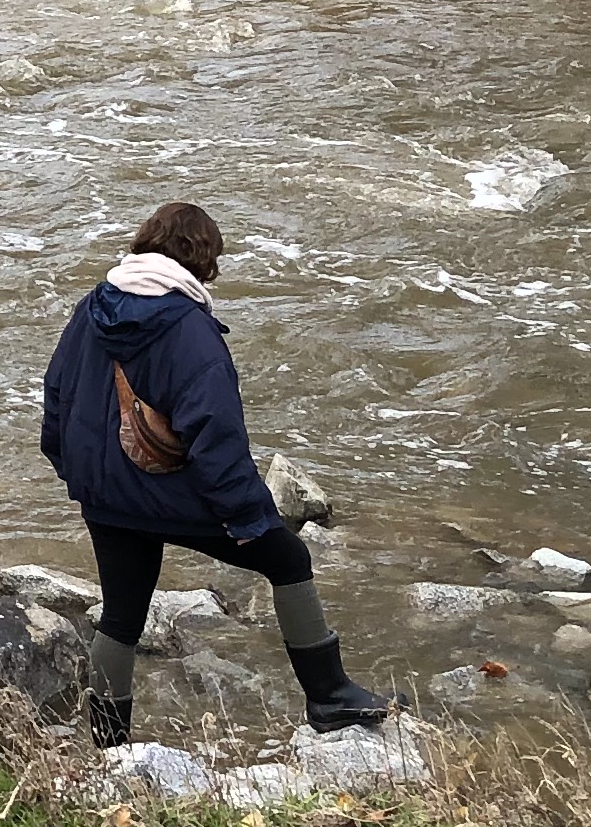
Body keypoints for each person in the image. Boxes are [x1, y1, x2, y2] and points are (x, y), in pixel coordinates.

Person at [40, 201, 388, 749]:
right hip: (166, 494)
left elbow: (56, 393)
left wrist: (74, 472)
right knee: (289, 559)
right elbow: (216, 438)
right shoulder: (189, 331)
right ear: (204, 260)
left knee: (123, 614)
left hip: (105, 495)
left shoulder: (92, 306)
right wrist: (249, 518)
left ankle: (109, 751)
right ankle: (329, 697)